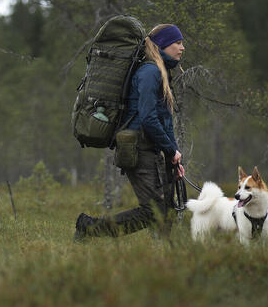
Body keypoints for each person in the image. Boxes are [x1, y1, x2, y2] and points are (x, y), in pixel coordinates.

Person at [74, 23, 185, 240]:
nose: (182, 48)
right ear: (163, 45)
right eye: (178, 43)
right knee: (153, 211)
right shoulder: (150, 71)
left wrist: (174, 155)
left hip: (149, 148)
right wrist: (171, 150)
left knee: (167, 209)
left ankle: (164, 258)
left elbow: (164, 120)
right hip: (138, 147)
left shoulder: (159, 71)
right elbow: (148, 117)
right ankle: (89, 229)